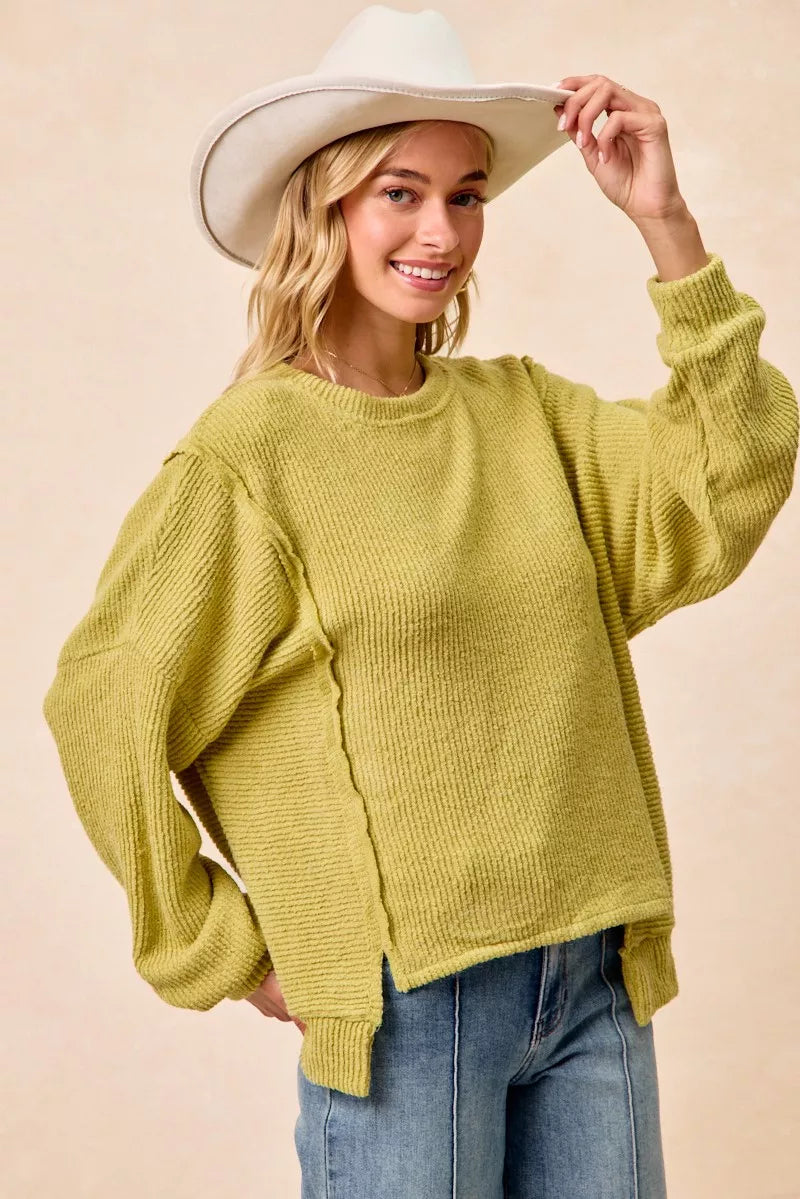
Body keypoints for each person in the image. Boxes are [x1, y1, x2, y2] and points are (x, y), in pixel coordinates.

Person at [42, 7, 798, 1197]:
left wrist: (664, 223)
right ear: (327, 205)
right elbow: (102, 701)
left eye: (465, 194)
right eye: (399, 192)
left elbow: (733, 471)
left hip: (591, 973)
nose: (440, 231)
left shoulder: (526, 414)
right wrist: (220, 947)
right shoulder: (252, 454)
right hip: (411, 999)